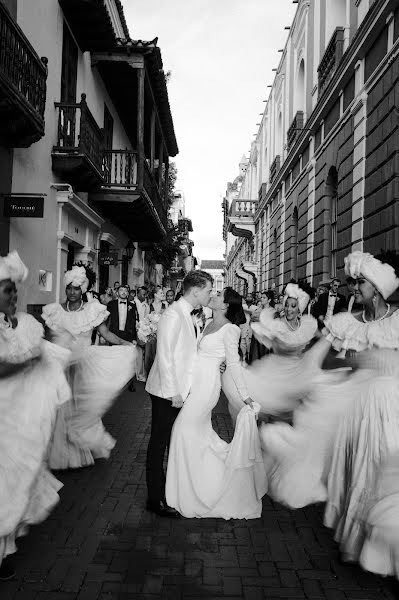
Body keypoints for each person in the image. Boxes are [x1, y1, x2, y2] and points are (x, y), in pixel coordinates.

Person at [309, 251, 399, 574]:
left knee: (387, 471)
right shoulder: (346, 323)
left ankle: (387, 547)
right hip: (359, 410)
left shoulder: (398, 321)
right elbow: (324, 360)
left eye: (360, 282)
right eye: (354, 282)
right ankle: (361, 542)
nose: (355, 287)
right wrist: (351, 360)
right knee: (361, 469)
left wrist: (380, 363)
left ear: (376, 287)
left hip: (391, 408)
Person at [165, 287, 265, 519]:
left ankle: (194, 492)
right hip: (193, 385)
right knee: (197, 437)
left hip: (207, 388)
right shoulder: (207, 320)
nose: (214, 296)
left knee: (181, 431)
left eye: (219, 295)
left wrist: (245, 396)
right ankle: (199, 485)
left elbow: (233, 363)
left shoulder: (230, 329)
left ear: (226, 305)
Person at [0, 252, 70, 581]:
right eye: (6, 290)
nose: (13, 295)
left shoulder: (27, 325)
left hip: (19, 417)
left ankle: (5, 548)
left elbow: (44, 355)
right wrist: (26, 360)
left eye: (14, 290)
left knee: (16, 478)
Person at [43, 266, 136, 470]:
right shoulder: (55, 311)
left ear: (82, 289)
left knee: (79, 410)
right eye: (69, 288)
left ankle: (78, 451)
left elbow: (106, 334)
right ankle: (60, 452)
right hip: (60, 368)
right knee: (59, 410)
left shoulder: (92, 311)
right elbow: (49, 341)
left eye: (76, 288)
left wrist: (124, 343)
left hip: (82, 367)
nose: (72, 292)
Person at [145, 270, 214, 517]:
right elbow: (164, 356)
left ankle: (170, 491)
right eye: (208, 290)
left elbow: (189, 353)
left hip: (179, 390)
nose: (211, 294)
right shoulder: (173, 314)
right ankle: (155, 499)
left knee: (172, 442)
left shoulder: (189, 314)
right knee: (158, 444)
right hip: (166, 391)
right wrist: (173, 392)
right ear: (195, 290)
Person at [107, 284, 138, 392]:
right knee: (114, 359)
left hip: (127, 336)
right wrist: (103, 335)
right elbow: (106, 320)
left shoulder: (132, 306)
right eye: (121, 290)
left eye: (126, 291)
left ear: (128, 293)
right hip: (113, 335)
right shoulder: (111, 304)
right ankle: (114, 383)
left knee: (128, 360)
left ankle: (130, 383)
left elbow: (134, 322)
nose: (124, 292)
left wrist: (134, 338)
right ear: (117, 292)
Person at [144, 289, 168, 375]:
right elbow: (145, 321)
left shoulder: (165, 305)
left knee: (161, 356)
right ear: (155, 294)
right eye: (161, 293)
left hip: (162, 334)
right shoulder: (148, 306)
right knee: (149, 356)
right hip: (151, 335)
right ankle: (149, 378)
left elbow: (168, 320)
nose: (163, 294)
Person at [248, 290, 274, 364]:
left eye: (264, 298)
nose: (261, 299)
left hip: (267, 339)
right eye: (261, 297)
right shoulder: (257, 310)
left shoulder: (273, 311)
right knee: (255, 359)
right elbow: (251, 323)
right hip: (256, 338)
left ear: (269, 300)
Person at [135, 286, 149, 382]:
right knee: (136, 353)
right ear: (138, 294)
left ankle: (141, 373)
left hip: (143, 330)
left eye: (145, 294)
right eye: (143, 294)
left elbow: (146, 318)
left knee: (142, 353)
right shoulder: (133, 303)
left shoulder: (146, 305)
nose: (144, 296)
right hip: (134, 329)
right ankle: (137, 373)